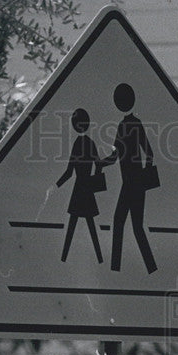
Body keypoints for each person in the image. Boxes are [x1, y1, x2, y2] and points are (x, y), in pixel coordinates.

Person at [98, 82, 157, 274]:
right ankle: (141, 268)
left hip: (133, 184)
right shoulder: (125, 124)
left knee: (127, 224)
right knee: (129, 225)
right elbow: (120, 155)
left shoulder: (129, 125)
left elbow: (147, 152)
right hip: (131, 183)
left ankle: (120, 268)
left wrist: (143, 178)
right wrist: (101, 163)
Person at [55, 107, 104, 264]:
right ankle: (99, 258)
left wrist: (55, 186)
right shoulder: (90, 143)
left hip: (79, 188)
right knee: (89, 225)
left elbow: (69, 172)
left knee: (73, 225)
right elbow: (99, 164)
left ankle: (63, 258)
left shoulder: (78, 143)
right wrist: (96, 178)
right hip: (87, 188)